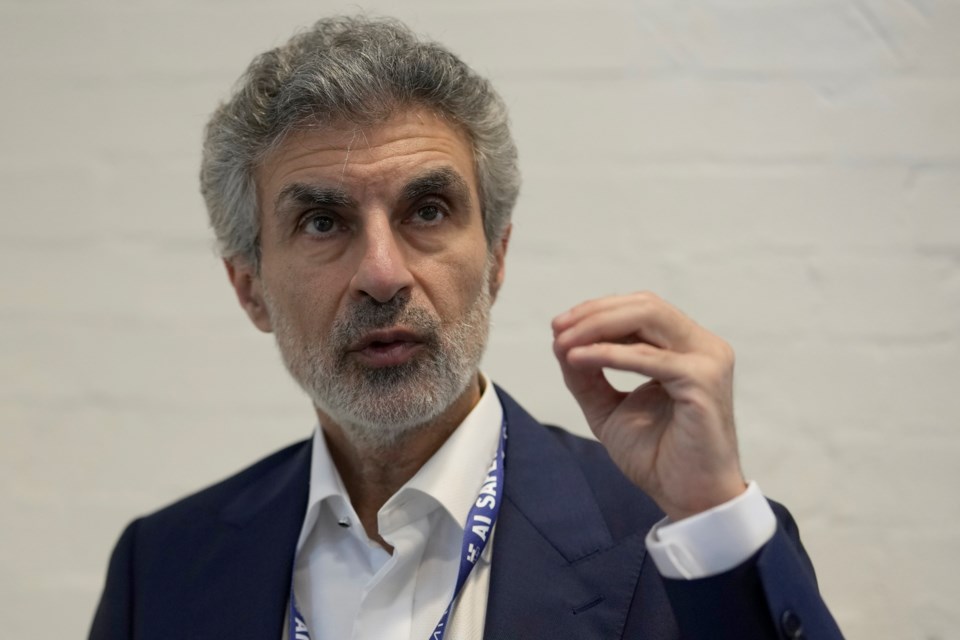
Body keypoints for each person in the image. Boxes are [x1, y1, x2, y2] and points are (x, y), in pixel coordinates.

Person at [89, 15, 844, 640]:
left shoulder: (674, 538)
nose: (383, 273)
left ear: (498, 255)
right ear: (250, 288)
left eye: (427, 211)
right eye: (323, 221)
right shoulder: (162, 568)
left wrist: (712, 513)